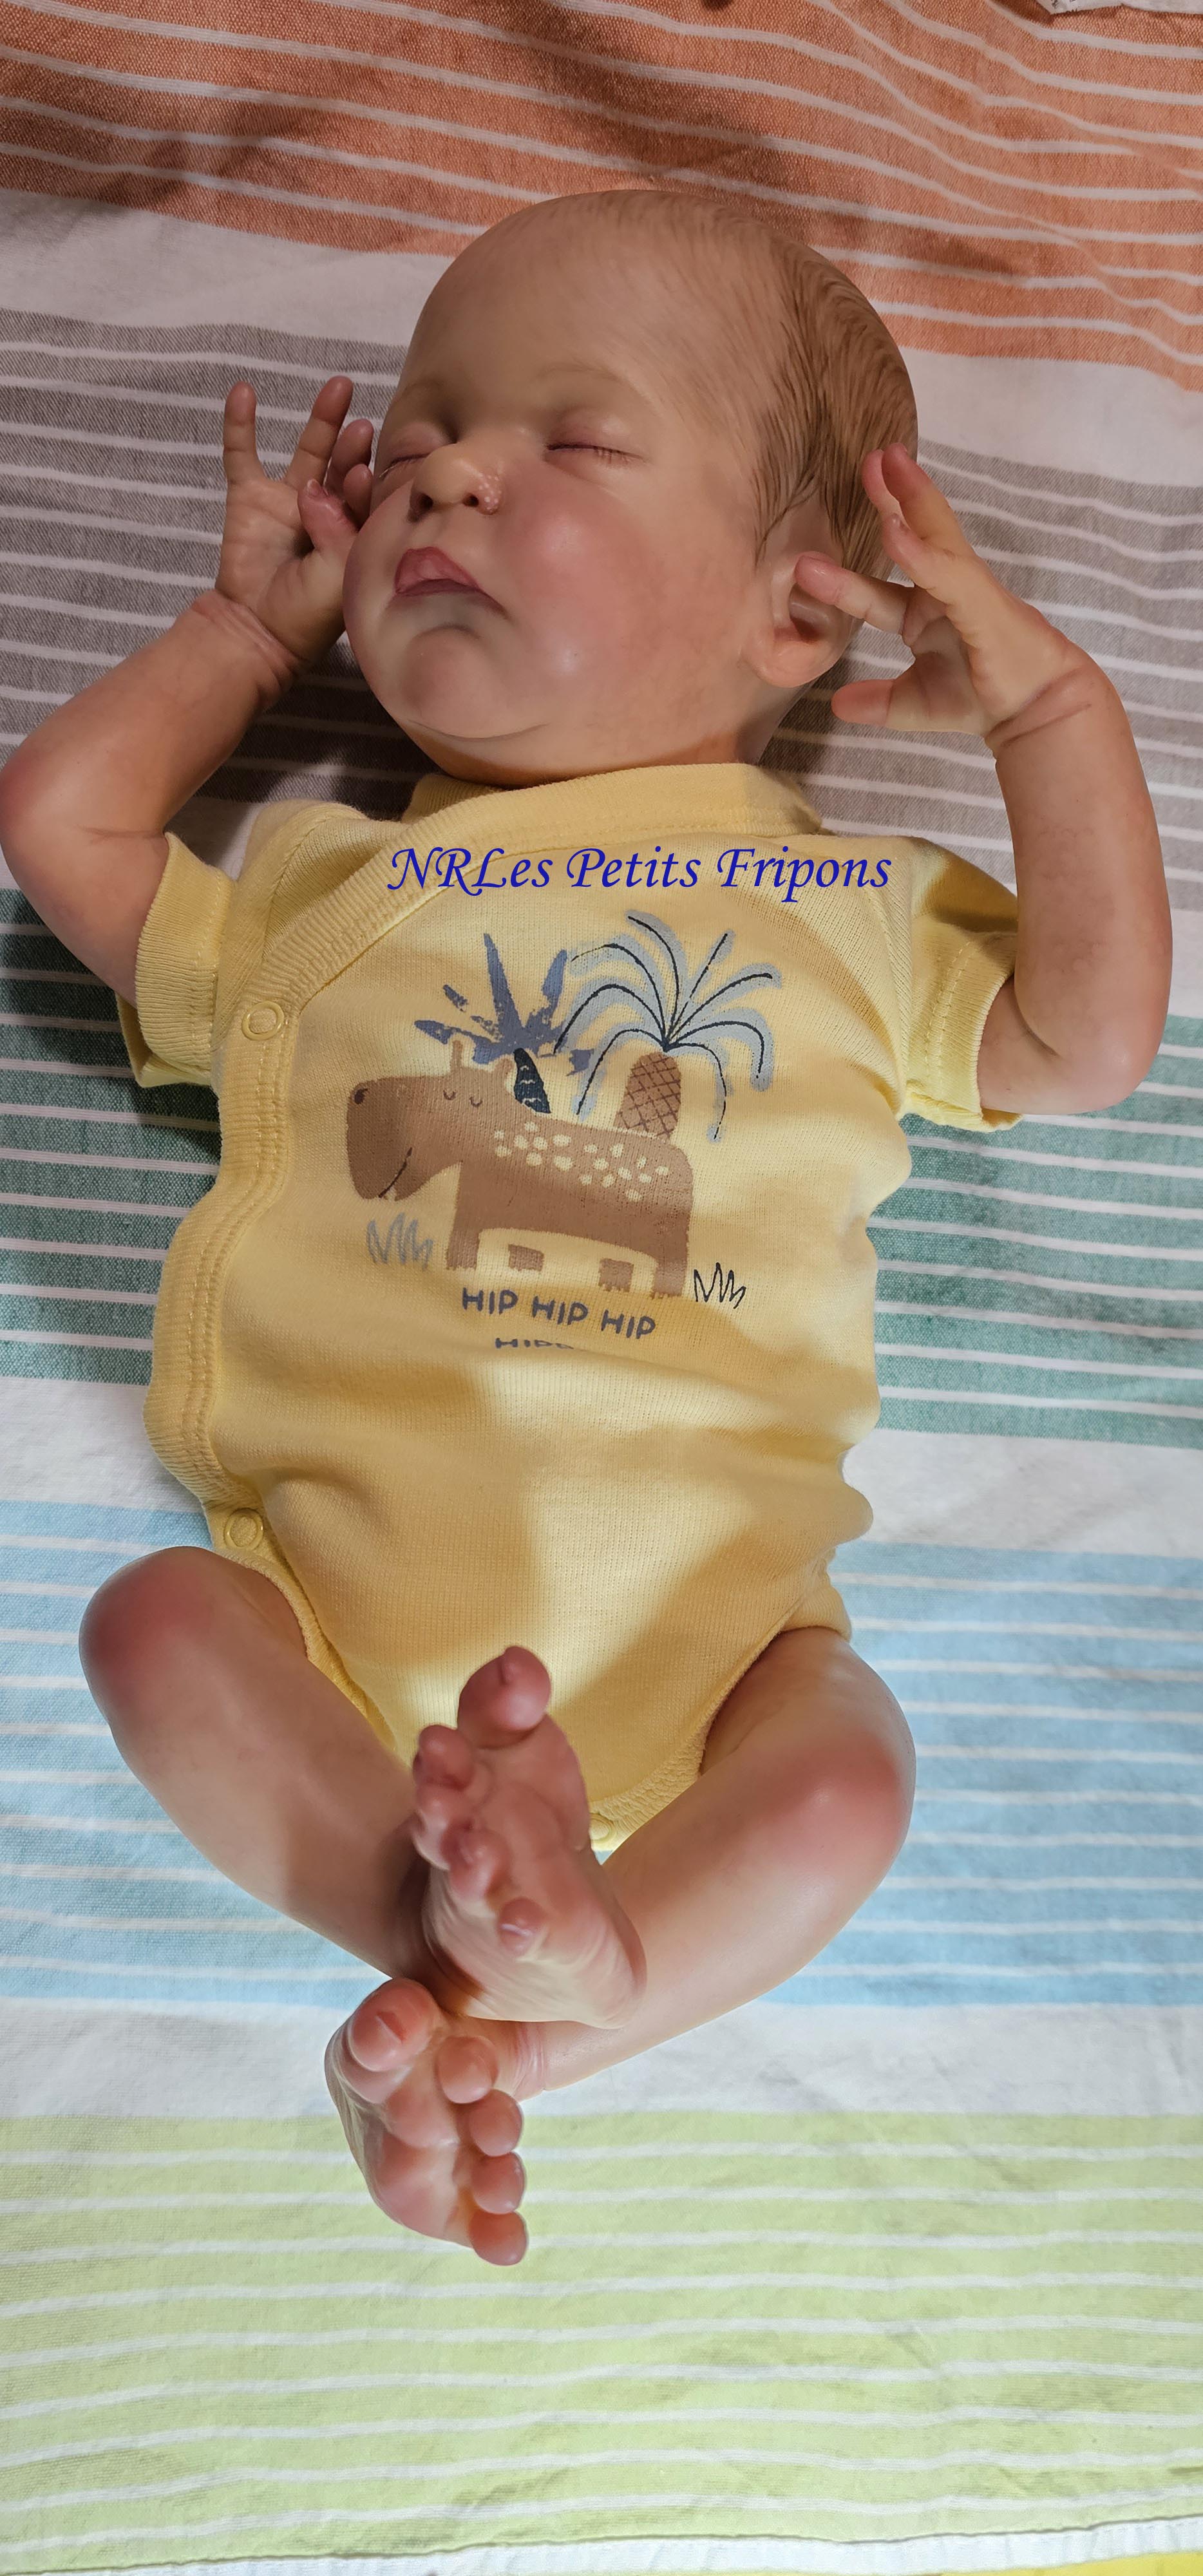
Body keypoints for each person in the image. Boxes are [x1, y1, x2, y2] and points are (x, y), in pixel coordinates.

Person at [0, 188, 1170, 2268]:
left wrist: (1050, 714)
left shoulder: (845, 908)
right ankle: (477, 1958)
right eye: (421, 440)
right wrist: (240, 638)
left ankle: (510, 2010)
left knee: (845, 1783)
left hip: (720, 1637)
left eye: (572, 441)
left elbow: (1085, 1039)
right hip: (331, 1612)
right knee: (156, 1628)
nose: (448, 472)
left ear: (796, 612)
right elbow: (64, 827)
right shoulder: (327, 890)